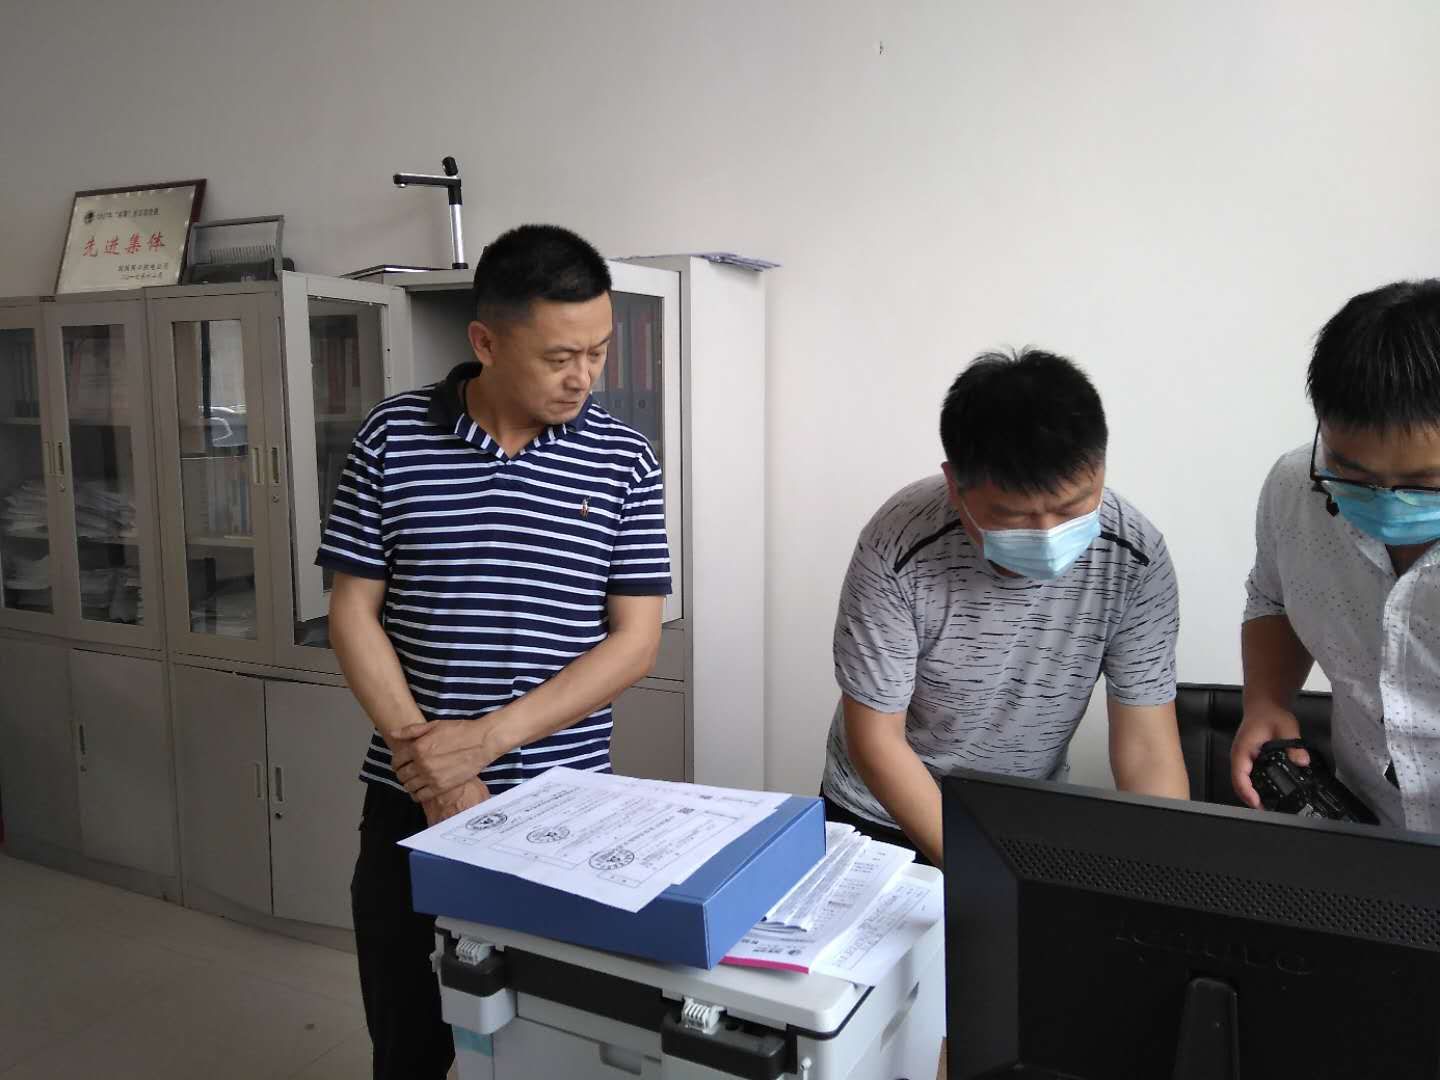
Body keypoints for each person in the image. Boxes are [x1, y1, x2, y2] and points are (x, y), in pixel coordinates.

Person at [318, 224, 671, 1079]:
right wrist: (434, 770)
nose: (584, 377)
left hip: (564, 806)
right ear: (485, 342)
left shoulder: (624, 459)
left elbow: (635, 642)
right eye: (560, 357)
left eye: (598, 351)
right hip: (410, 801)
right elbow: (353, 612)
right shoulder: (393, 436)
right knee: (410, 1036)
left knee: (548, 1044)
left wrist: (483, 743)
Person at [819, 348, 1189, 865]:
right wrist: (983, 870)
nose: (1048, 534)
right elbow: (877, 739)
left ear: (1100, 468)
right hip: (883, 814)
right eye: (1014, 517)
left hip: (1024, 812)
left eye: (1072, 507)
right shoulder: (899, 544)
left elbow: (1148, 745)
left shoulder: (1135, 557)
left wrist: (1171, 869)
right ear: (956, 485)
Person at [1233, 279, 1440, 831]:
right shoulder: (1294, 486)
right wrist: (1266, 701)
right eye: (1353, 474)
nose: (1387, 500)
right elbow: (1273, 597)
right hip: (1368, 822)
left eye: (1425, 483)